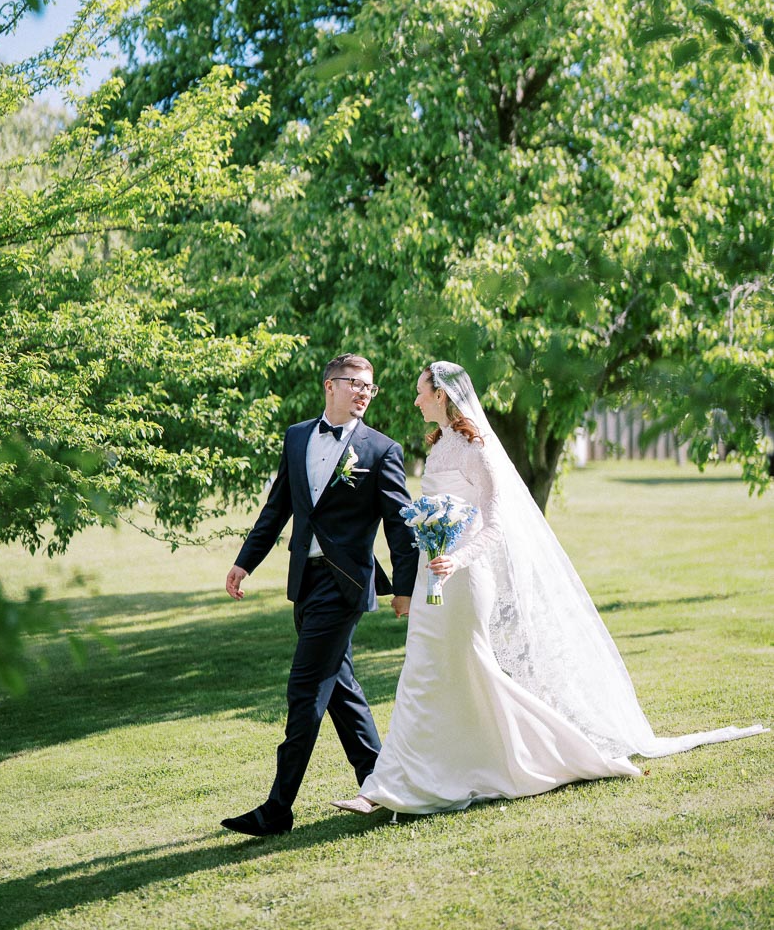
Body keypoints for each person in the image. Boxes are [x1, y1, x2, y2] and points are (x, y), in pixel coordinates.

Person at [334, 361, 767, 816]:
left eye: (421, 391)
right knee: (422, 672)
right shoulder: (439, 445)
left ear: (440, 395)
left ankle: (561, 754)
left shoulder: (477, 451)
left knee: (470, 671)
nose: (416, 399)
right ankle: (394, 784)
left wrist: (456, 559)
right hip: (431, 577)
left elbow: (494, 526)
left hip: (464, 578)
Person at [221, 353, 419, 836]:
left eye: (370, 388)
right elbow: (278, 508)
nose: (363, 394)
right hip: (304, 583)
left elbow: (400, 524)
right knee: (341, 690)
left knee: (305, 689)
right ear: (330, 385)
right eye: (355, 384)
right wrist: (245, 560)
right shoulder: (296, 438)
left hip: (345, 584)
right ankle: (380, 785)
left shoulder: (381, 451)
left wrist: (406, 589)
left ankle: (278, 809)